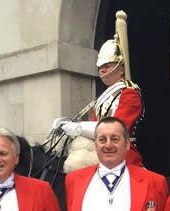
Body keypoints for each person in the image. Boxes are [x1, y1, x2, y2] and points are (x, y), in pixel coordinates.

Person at [54, 11, 144, 169]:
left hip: (124, 154)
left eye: (107, 66)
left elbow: (116, 129)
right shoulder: (105, 96)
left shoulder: (129, 93)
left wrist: (79, 128)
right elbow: (96, 124)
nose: (102, 70)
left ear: (121, 68)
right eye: (100, 67)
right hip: (99, 150)